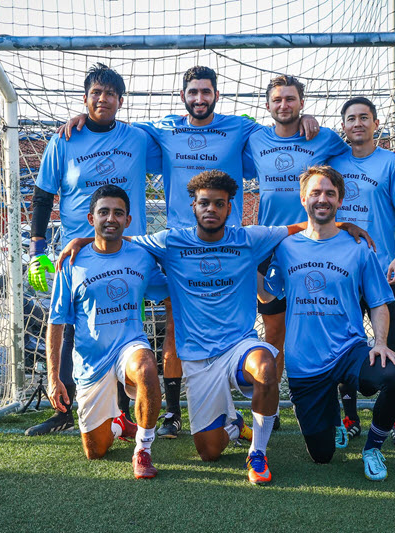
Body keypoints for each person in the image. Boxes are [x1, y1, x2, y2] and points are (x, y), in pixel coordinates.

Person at [60, 66, 322, 439]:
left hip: (234, 245)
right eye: (193, 92)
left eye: (206, 92)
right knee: (174, 329)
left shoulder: (240, 128)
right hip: (178, 248)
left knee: (267, 322)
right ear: (183, 96)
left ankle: (264, 402)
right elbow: (114, 127)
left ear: (216, 95)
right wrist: (86, 119)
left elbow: (280, 129)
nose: (200, 98)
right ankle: (171, 413)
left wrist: (304, 119)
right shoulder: (162, 128)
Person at [60, 169, 368, 484]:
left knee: (265, 365)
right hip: (197, 359)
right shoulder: (170, 241)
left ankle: (258, 453)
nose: (211, 209)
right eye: (204, 203)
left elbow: (298, 226)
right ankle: (233, 424)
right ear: (193, 206)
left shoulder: (249, 239)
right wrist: (83, 240)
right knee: (209, 452)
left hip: (239, 346)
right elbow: (118, 237)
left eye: (219, 204)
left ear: (229, 208)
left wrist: (342, 224)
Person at [25, 63, 161, 436]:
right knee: (70, 327)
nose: (103, 99)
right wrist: (38, 251)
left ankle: (129, 412)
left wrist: (226, 125)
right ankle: (65, 408)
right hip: (77, 254)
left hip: (127, 250)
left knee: (124, 325)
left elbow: (180, 134)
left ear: (121, 100)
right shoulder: (65, 140)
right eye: (95, 93)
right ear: (85, 99)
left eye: (110, 94)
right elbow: (41, 197)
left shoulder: (137, 138)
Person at [258, 165, 395, 481]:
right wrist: (251, 271)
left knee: (394, 375)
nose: (322, 198)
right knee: (322, 456)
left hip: (348, 350)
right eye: (315, 192)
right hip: (304, 362)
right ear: (303, 198)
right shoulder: (285, 248)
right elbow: (268, 296)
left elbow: (380, 303)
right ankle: (334, 419)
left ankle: (373, 448)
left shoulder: (358, 247)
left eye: (330, 193)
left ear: (339, 200)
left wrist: (380, 343)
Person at [243, 75, 349, 432]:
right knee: (274, 332)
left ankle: (333, 411)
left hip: (313, 246)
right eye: (278, 100)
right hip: (271, 251)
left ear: (302, 103)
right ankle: (270, 406)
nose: (284, 105)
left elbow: (357, 161)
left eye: (291, 99)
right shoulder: (254, 138)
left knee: (320, 328)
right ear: (268, 105)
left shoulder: (323, 137)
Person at [47, 185, 167, 479]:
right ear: (91, 218)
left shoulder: (142, 256)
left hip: (130, 346)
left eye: (118, 212)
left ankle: (143, 449)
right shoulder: (72, 262)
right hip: (92, 360)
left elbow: (168, 293)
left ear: (128, 220)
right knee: (95, 451)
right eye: (103, 212)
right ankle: (118, 424)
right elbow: (56, 322)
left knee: (148, 367)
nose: (110, 218)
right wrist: (53, 379)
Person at [328, 97, 395, 446]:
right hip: (342, 270)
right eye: (351, 118)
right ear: (344, 126)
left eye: (364, 117)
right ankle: (349, 416)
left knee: (394, 343)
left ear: (375, 123)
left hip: (383, 269)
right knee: (345, 343)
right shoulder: (332, 163)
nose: (357, 124)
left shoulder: (389, 164)